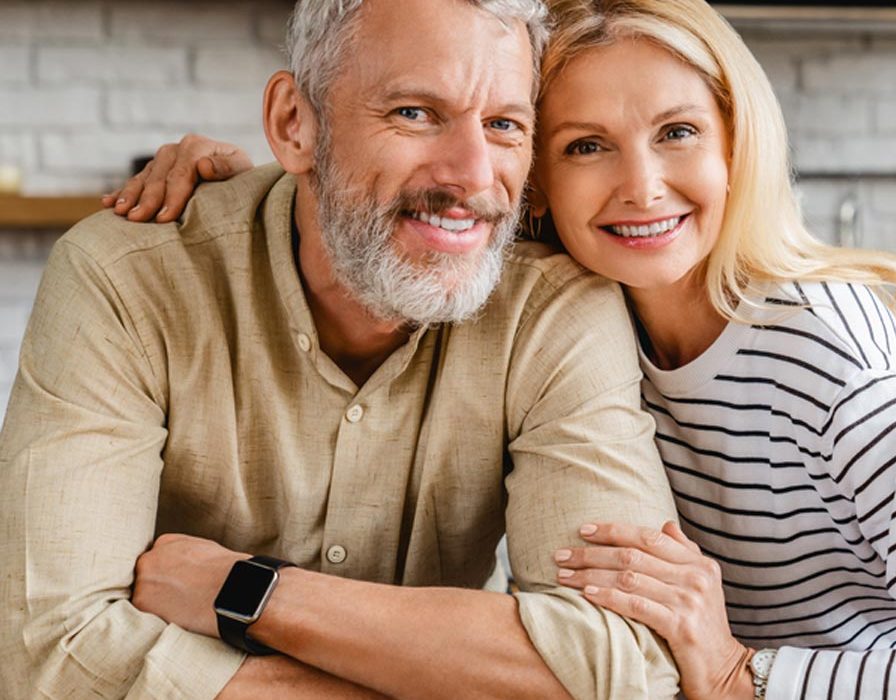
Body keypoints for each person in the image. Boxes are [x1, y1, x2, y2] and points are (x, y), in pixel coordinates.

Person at [125, 0, 896, 697]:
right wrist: (235, 187)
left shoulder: (825, 353)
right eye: (587, 146)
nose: (641, 185)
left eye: (679, 132)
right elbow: (395, 177)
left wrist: (752, 675)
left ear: (740, 140)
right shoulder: (581, 305)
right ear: (536, 177)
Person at [0, 1, 685, 698]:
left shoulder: (554, 307)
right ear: (294, 125)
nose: (474, 177)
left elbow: (628, 666)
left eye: (504, 125)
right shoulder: (127, 278)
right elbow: (50, 655)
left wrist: (252, 593)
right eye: (415, 113)